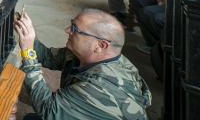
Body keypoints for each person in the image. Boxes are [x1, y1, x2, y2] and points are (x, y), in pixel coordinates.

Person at [14, 9, 152, 120]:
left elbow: (48, 110)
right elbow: (47, 57)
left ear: (100, 45)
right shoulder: (85, 56)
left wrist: (27, 52)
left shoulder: (99, 87)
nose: (67, 30)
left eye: (75, 29)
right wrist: (26, 33)